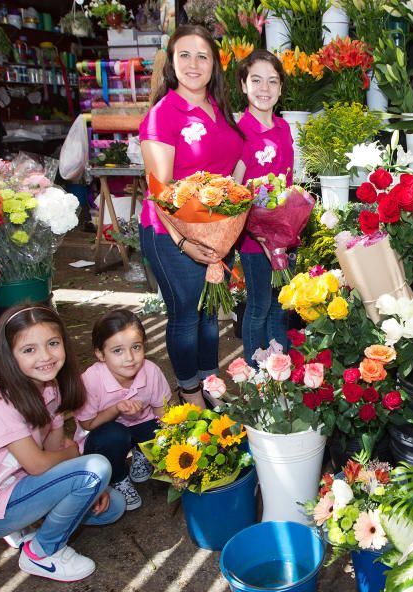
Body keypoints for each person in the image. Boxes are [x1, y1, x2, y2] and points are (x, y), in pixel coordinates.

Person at [0, 305, 126, 582]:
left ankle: (31, 525)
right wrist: (79, 461)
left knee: (113, 506)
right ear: (9, 356)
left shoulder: (50, 386)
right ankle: (41, 552)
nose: (46, 357)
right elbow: (38, 464)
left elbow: (54, 444)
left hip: (26, 487)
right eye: (29, 350)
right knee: (94, 468)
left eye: (52, 344)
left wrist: (95, 485)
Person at [139, 24, 245, 407]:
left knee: (208, 317)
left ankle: (209, 386)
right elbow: (159, 187)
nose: (194, 63)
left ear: (214, 64)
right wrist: (184, 240)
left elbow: (234, 165)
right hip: (171, 235)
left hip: (216, 232)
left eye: (203, 55)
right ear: (170, 62)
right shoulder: (162, 114)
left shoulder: (219, 108)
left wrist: (235, 215)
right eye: (184, 54)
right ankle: (188, 394)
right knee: (185, 315)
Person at [234, 50, 296, 364]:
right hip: (254, 241)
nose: (265, 88)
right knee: (258, 306)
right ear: (243, 85)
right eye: (256, 80)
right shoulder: (239, 132)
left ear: (281, 89)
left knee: (281, 304)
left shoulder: (284, 129)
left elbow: (288, 181)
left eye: (273, 81)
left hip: (284, 237)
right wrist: (255, 229)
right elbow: (235, 190)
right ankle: (254, 371)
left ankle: (278, 366)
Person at [76, 309, 171, 511]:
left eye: (136, 347)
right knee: (114, 435)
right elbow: (87, 424)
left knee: (158, 425)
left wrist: (168, 448)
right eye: (117, 350)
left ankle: (142, 453)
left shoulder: (150, 371)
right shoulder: (91, 380)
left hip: (140, 426)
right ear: (100, 354)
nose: (129, 358)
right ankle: (118, 477)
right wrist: (116, 409)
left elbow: (163, 412)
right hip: (102, 437)